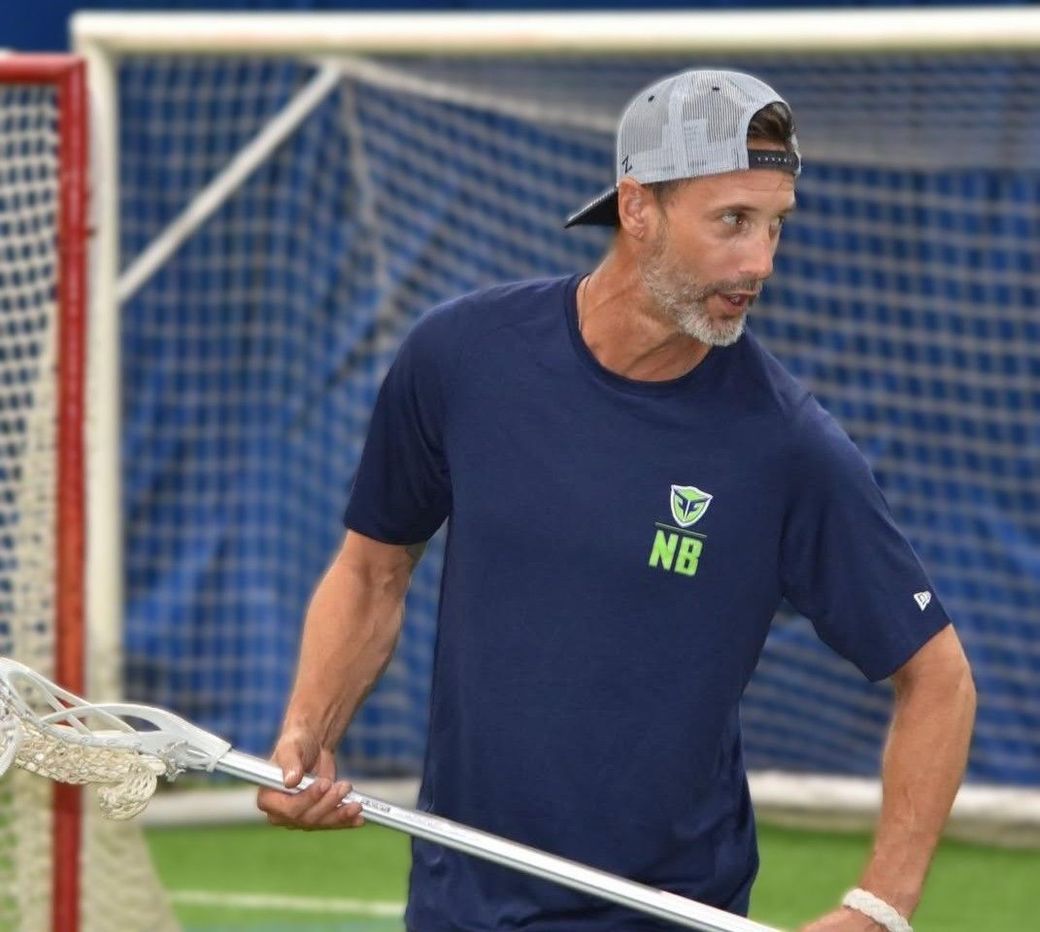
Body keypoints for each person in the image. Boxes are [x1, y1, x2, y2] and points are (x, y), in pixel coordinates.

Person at [258, 69, 976, 932]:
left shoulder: (788, 447)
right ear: (638, 208)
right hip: (459, 900)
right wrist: (309, 730)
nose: (761, 262)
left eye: (776, 224)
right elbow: (373, 570)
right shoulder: (461, 357)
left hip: (668, 912)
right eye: (732, 222)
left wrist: (878, 908)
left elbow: (938, 678)